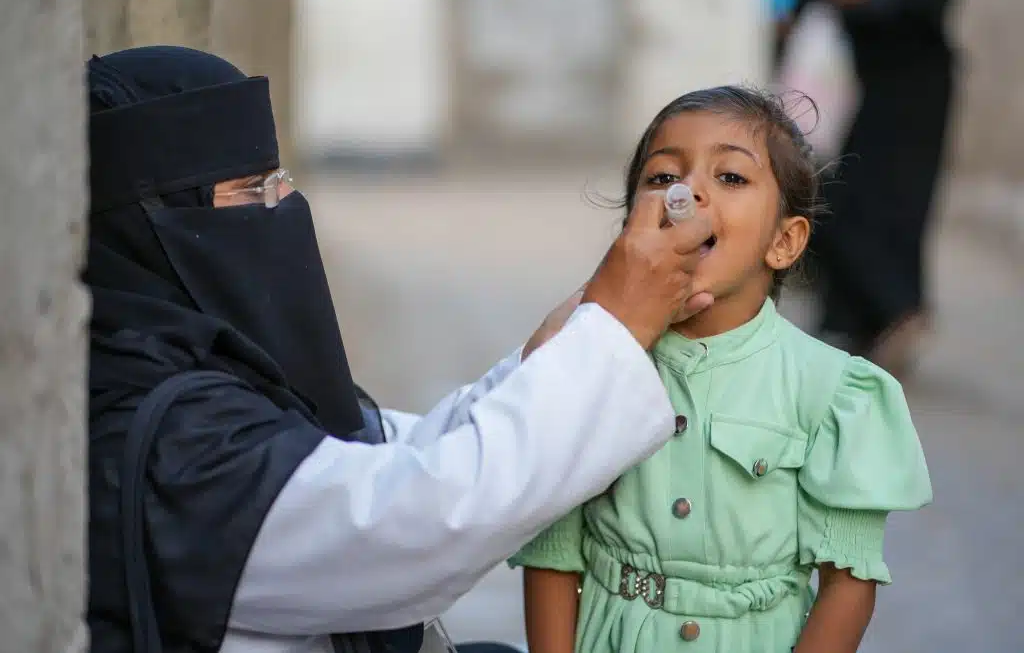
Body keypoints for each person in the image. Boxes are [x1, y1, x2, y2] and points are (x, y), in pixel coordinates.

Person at [83, 45, 718, 653]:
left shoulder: (204, 365)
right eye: (252, 192)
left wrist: (570, 341)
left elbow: (385, 452)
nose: (280, 208)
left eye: (281, 181)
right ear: (150, 220)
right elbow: (422, 518)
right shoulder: (169, 441)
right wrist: (611, 336)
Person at [509, 86, 932, 653]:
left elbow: (847, 583)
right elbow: (553, 552)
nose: (687, 192)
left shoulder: (832, 391)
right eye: (661, 177)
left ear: (783, 241)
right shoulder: (591, 363)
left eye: (731, 177)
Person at [794, 0, 958, 373]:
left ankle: (897, 309)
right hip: (858, 84)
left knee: (892, 204)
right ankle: (856, 324)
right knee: (837, 198)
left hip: (912, 88)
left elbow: (923, 1)